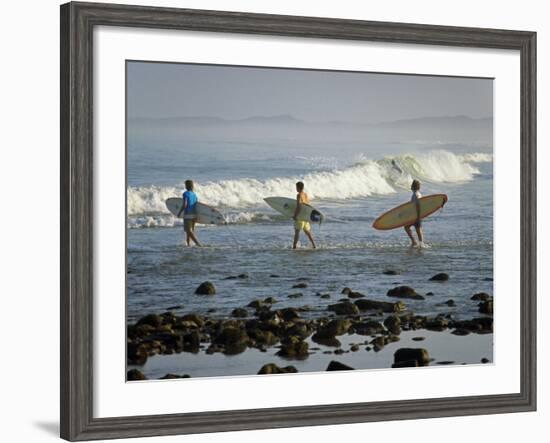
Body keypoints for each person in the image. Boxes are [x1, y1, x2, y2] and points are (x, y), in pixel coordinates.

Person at [292, 181, 316, 249]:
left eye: (296, 187)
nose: (295, 188)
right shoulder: (305, 195)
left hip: (300, 216)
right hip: (305, 216)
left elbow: (299, 206)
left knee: (297, 232)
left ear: (298, 187)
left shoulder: (299, 195)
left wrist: (295, 215)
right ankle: (314, 245)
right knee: (308, 232)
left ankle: (294, 247)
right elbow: (307, 205)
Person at [177, 180, 201, 247]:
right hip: (194, 214)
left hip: (188, 214)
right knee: (190, 231)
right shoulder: (194, 194)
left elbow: (185, 205)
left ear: (186, 186)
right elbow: (196, 204)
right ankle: (188, 244)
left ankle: (198, 244)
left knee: (188, 231)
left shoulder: (185, 194)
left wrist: (179, 212)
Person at [404, 179, 424, 247]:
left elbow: (418, 205)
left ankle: (414, 242)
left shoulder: (415, 194)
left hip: (415, 216)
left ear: (413, 186)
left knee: (406, 227)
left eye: (412, 185)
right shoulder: (418, 193)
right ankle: (421, 243)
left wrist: (418, 217)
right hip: (417, 215)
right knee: (418, 229)